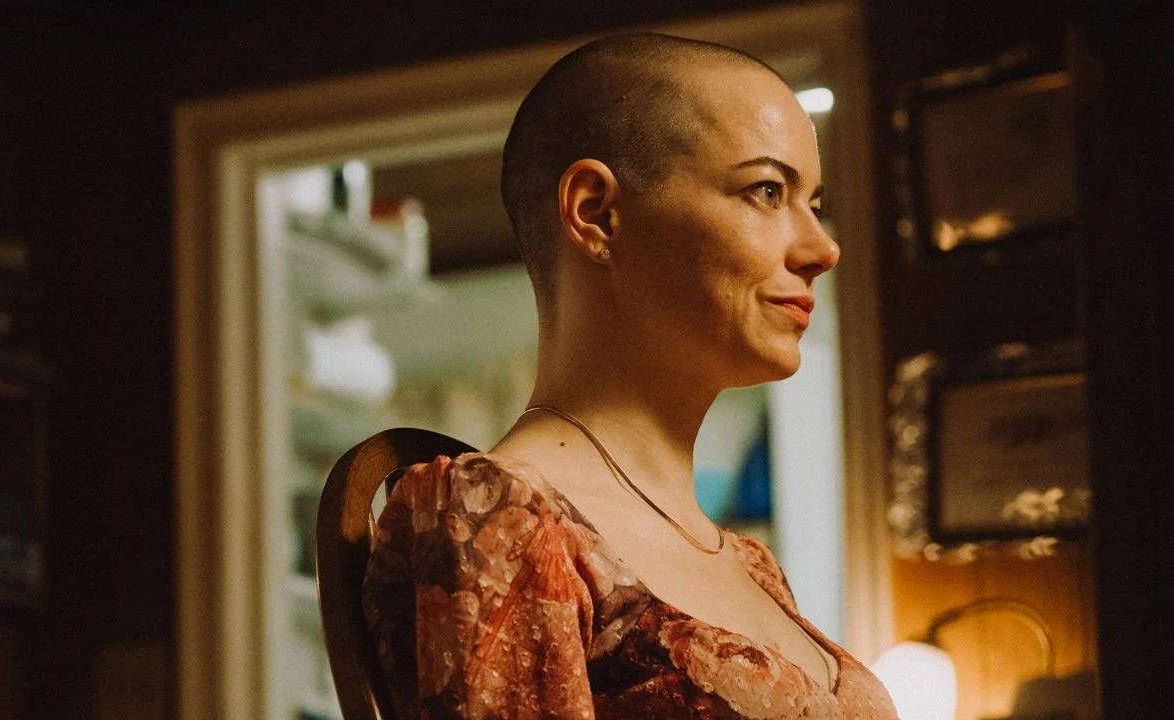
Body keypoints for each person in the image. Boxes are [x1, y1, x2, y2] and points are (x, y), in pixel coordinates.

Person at [363, 32, 897, 719]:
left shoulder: (752, 565)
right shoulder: (501, 515)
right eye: (767, 191)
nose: (822, 248)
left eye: (813, 205)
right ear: (596, 213)